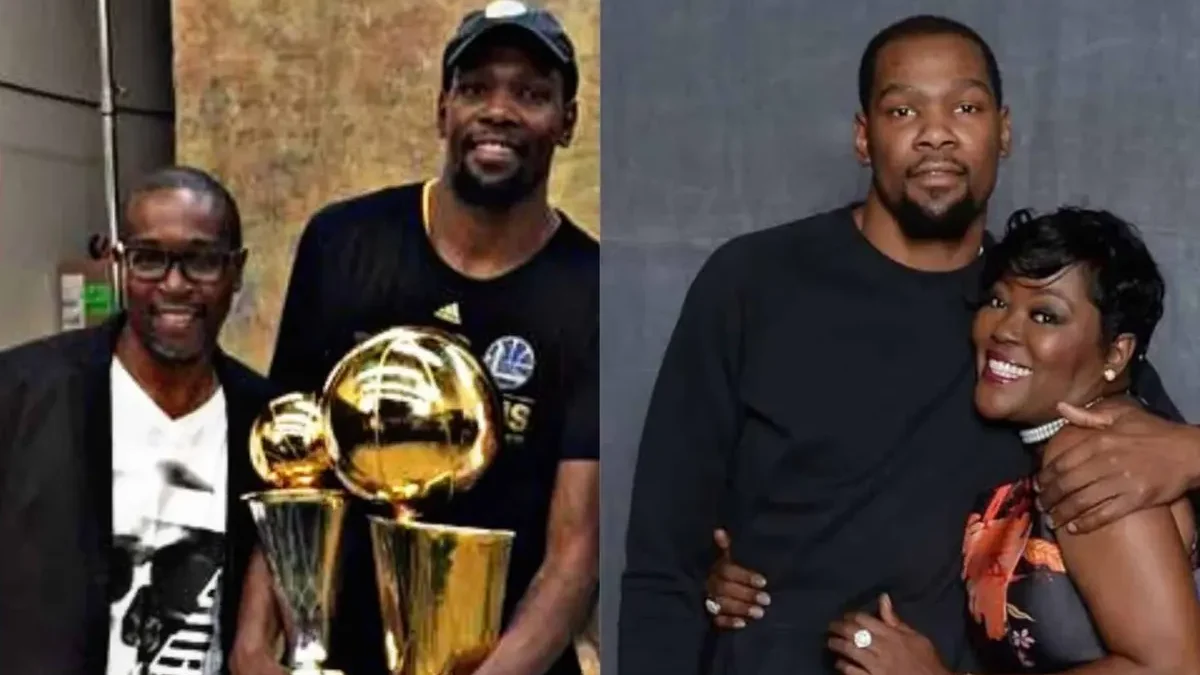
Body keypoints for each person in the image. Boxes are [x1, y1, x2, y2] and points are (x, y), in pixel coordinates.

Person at [617, 14, 1200, 675]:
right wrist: (706, 585)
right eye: (902, 109)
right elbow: (664, 561)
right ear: (864, 137)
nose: (937, 133)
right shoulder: (753, 283)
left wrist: (1192, 448)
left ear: (1002, 131)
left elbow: (1152, 455)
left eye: (967, 106)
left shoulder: (1042, 325)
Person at [230, 3, 598, 675]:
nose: (499, 110)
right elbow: (290, 472)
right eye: (475, 87)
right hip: (345, 655)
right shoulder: (344, 244)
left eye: (531, 93)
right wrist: (254, 645)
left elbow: (575, 551)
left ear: (566, 122)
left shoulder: (595, 288)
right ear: (441, 110)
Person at [708, 207, 1200, 675]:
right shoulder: (1047, 443)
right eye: (999, 301)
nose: (1005, 328)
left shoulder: (1100, 459)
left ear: (1116, 353)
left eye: (1046, 316)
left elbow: (1175, 668)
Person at [0, 165, 281, 675]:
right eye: (149, 260)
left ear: (236, 270)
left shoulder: (268, 425)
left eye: (202, 261)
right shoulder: (20, 395)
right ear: (119, 264)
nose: (174, 285)